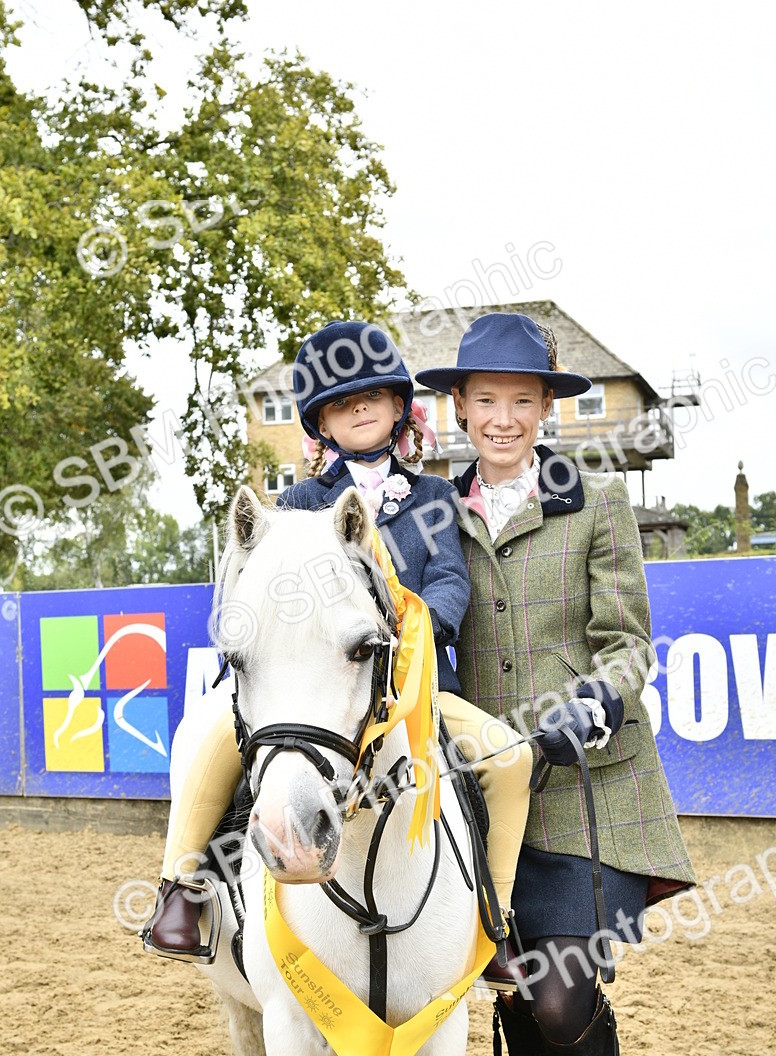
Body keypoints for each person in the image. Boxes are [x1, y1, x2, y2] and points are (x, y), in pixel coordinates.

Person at [147, 320, 531, 974]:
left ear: (398, 405)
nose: (358, 409)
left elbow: (448, 580)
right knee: (212, 732)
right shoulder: (298, 502)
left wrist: (412, 629)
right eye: (340, 403)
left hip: (415, 695)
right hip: (319, 694)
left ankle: (496, 919)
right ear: (320, 421)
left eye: (372, 396)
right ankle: (179, 888)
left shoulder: (434, 496)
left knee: (511, 757)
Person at [415, 311, 696, 1056]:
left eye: (521, 402)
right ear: (460, 408)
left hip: (585, 788)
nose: (503, 419)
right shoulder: (431, 516)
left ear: (546, 409)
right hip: (484, 803)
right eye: (486, 401)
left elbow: (629, 644)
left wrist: (597, 700)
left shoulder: (597, 501)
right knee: (520, 997)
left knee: (562, 998)